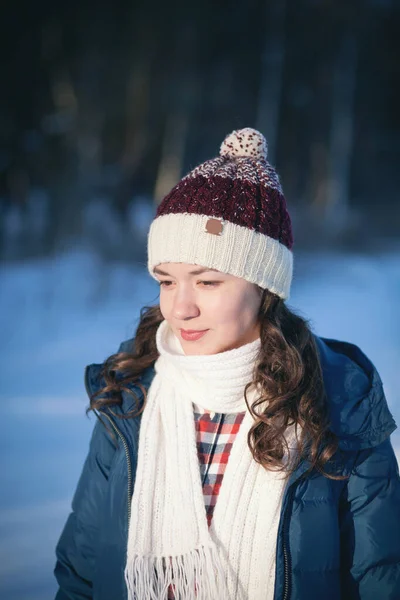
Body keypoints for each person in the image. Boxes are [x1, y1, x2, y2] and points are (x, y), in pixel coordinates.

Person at [54, 128, 400, 600]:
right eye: (167, 281)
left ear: (265, 287)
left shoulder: (339, 406)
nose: (180, 308)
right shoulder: (131, 397)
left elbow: (381, 579)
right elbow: (81, 573)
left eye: (208, 282)